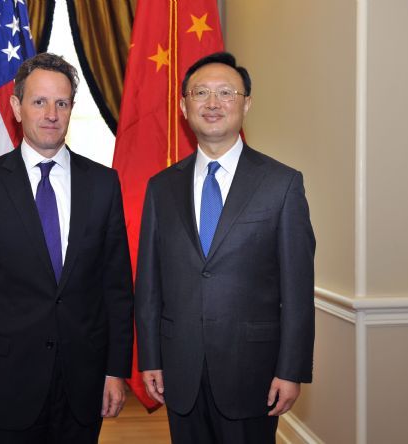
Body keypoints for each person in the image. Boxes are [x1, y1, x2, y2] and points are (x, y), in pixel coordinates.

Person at [0, 53, 134, 444]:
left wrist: (115, 371)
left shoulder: (104, 184)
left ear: (70, 109)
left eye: (62, 102)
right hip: (7, 384)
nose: (51, 113)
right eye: (39, 101)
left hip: (84, 384)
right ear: (17, 107)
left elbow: (116, 288)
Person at [135, 52, 315, 443]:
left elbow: (298, 290)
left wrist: (291, 369)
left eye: (226, 93)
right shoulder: (160, 188)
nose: (212, 103)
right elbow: (149, 284)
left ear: (246, 104)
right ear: (184, 107)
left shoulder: (281, 185)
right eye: (201, 93)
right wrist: (150, 358)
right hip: (180, 371)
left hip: (254, 373)